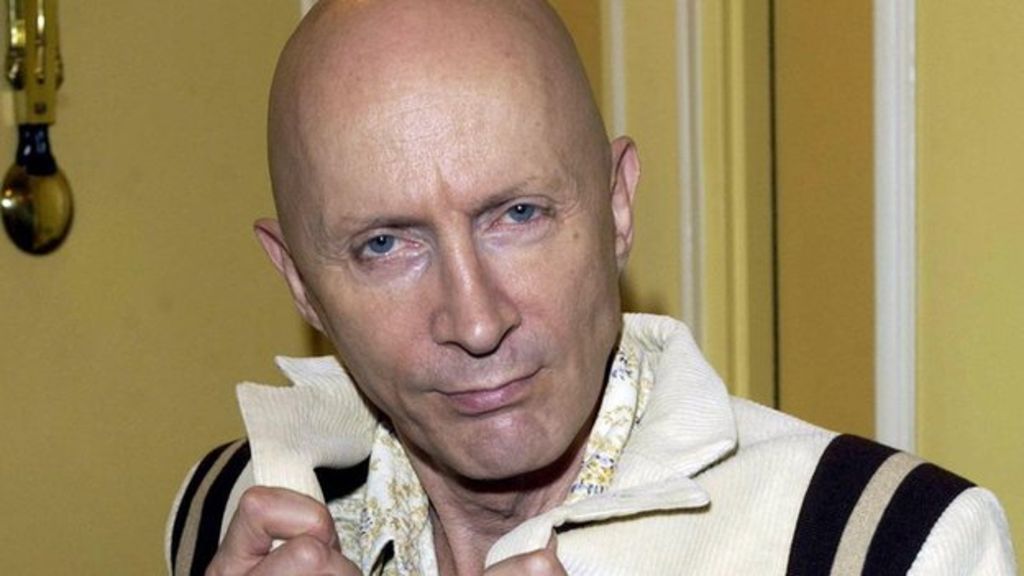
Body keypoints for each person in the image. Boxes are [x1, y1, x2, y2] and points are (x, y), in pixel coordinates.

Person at [166, 0, 1017, 574]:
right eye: (385, 245)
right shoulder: (227, 512)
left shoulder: (893, 546)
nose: (475, 321)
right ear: (300, 282)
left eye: (519, 214)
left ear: (616, 207)